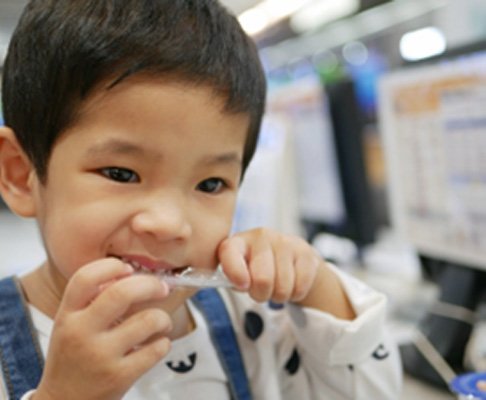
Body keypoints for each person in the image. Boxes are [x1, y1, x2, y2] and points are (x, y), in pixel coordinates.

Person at [0, 0, 402, 399]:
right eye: (122, 174)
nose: (170, 223)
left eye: (210, 184)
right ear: (21, 175)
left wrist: (315, 284)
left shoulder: (250, 319)